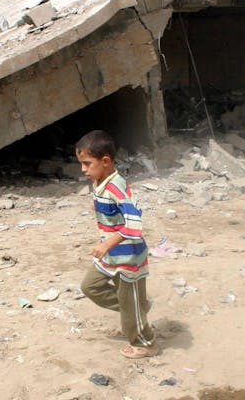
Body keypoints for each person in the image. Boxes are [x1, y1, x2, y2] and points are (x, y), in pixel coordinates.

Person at [76, 130, 158, 358]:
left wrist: (106, 244)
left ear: (105, 161)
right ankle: (136, 308)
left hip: (128, 257)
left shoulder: (116, 186)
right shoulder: (101, 182)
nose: (83, 169)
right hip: (112, 256)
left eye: (86, 164)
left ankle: (146, 343)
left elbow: (134, 225)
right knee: (90, 287)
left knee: (131, 307)